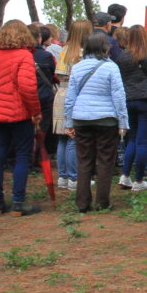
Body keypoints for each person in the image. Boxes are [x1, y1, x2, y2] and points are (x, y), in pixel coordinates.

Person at [0, 20, 42, 216]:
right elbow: (27, 87)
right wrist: (35, 111)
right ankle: (18, 203)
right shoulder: (25, 56)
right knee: (22, 156)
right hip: (20, 114)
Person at [65, 33, 128, 213]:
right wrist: (123, 121)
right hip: (106, 119)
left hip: (81, 118)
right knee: (105, 161)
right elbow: (118, 96)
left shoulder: (77, 68)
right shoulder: (111, 67)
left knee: (84, 161)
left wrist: (69, 121)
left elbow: (70, 97)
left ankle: (82, 203)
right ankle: (102, 201)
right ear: (105, 48)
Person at [53, 20, 92, 191]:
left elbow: (59, 75)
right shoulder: (83, 54)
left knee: (62, 138)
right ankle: (74, 178)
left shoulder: (64, 50)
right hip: (74, 95)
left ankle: (62, 176)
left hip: (61, 94)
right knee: (73, 138)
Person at [117, 25, 147, 192]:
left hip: (128, 99)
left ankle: (125, 175)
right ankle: (139, 180)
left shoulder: (122, 57)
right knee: (144, 142)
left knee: (131, 139)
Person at [30, 24, 57, 170]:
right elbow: (53, 74)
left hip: (28, 95)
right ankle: (39, 159)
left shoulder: (24, 54)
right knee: (42, 129)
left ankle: (26, 157)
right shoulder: (46, 56)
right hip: (44, 96)